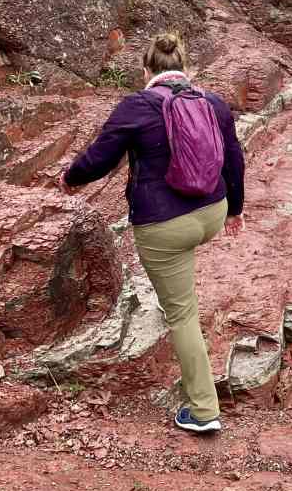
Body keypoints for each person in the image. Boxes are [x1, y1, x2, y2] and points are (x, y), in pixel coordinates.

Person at [61, 33, 245, 435]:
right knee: (181, 260)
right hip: (210, 213)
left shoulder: (137, 105)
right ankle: (174, 292)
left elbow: (99, 158)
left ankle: (202, 411)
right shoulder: (212, 102)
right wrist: (235, 210)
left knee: (183, 314)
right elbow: (234, 157)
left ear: (146, 72)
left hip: (164, 224)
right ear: (186, 69)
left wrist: (69, 178)